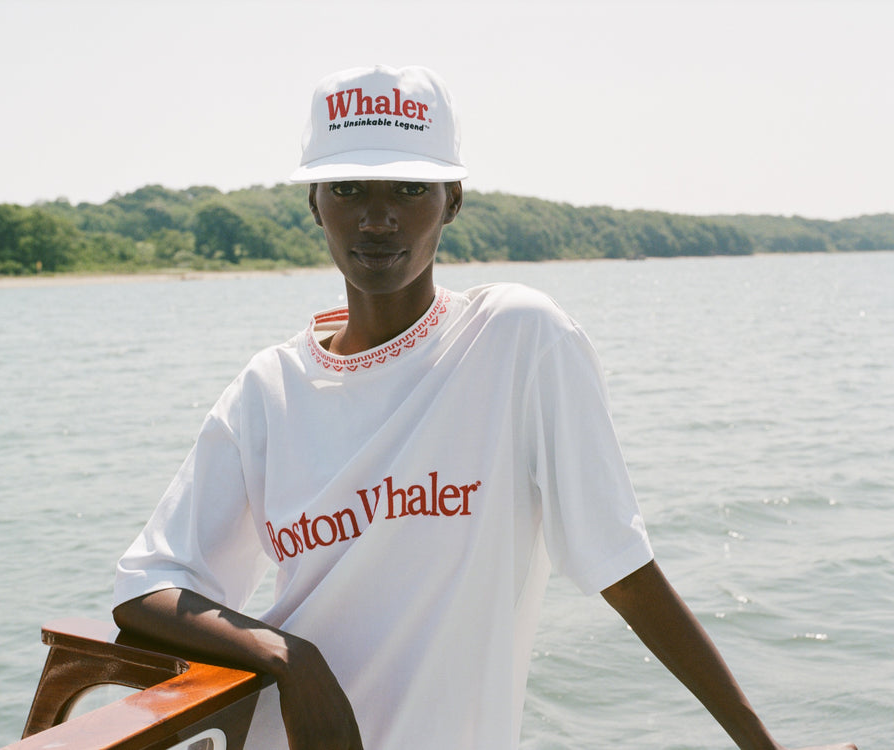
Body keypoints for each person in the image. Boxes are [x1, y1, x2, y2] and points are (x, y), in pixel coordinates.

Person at [112, 65, 855, 750]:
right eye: (348, 189)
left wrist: (762, 744)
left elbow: (622, 567)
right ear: (314, 202)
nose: (378, 218)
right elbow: (148, 586)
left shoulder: (516, 340)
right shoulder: (267, 389)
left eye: (410, 189)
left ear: (454, 200)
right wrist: (290, 659)